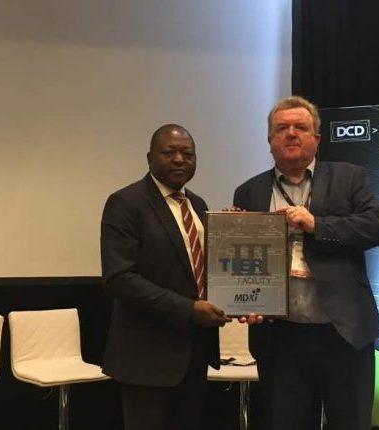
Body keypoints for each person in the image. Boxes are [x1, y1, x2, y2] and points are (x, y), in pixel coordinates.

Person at [234, 96, 379, 430]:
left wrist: (316, 224)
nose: (291, 133)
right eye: (282, 128)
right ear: (270, 140)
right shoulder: (248, 191)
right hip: (281, 340)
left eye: (300, 127)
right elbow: (245, 261)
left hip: (343, 334)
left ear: (317, 139)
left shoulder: (349, 177)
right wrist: (244, 299)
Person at [100, 124, 231, 430]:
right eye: (169, 152)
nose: (179, 159)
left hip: (194, 352)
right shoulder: (125, 203)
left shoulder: (198, 205)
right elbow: (119, 278)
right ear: (149, 158)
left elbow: (200, 270)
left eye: (188, 153)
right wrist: (189, 309)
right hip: (147, 357)